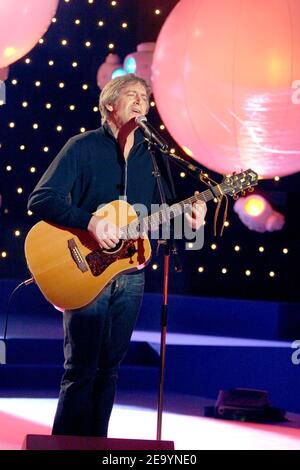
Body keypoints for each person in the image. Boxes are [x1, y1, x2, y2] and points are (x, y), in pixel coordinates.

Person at [27, 74, 207, 437]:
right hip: (84, 269)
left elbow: (166, 216)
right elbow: (41, 199)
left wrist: (192, 220)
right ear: (109, 104)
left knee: (109, 370)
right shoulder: (82, 147)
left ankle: (96, 448)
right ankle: (64, 449)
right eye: (132, 94)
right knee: (81, 369)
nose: (141, 101)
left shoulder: (154, 157)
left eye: (145, 96)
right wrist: (90, 221)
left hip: (131, 274)